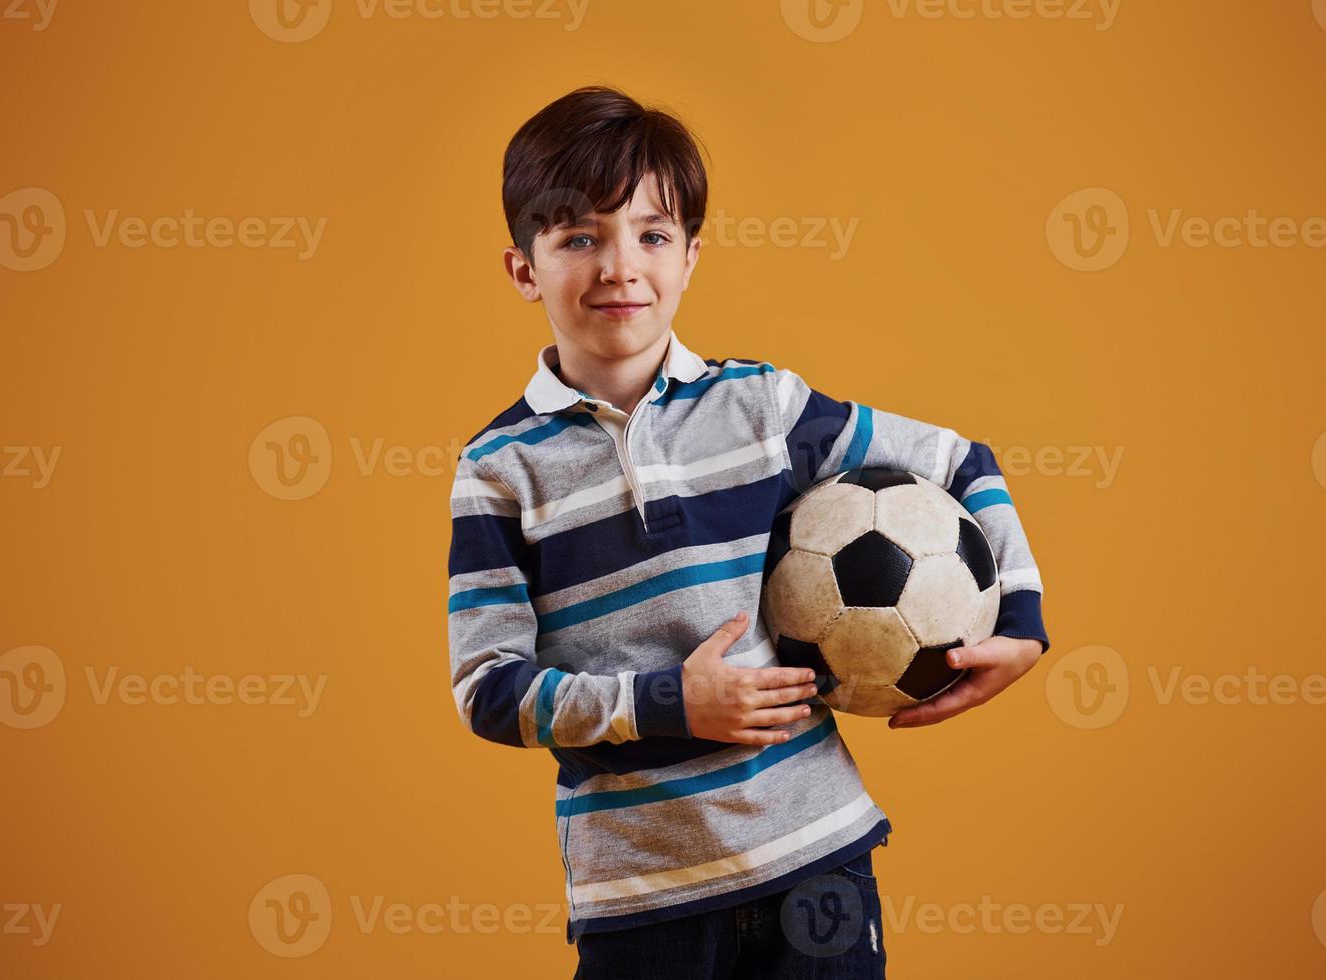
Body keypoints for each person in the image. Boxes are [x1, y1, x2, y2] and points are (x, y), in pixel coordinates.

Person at [446, 85, 1050, 979]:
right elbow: (489, 690)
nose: (620, 266)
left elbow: (965, 459)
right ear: (524, 269)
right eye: (579, 237)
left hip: (817, 863)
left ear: (691, 256)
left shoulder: (761, 407)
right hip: (640, 899)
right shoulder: (500, 470)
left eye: (651, 235)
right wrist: (667, 704)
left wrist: (1024, 622)